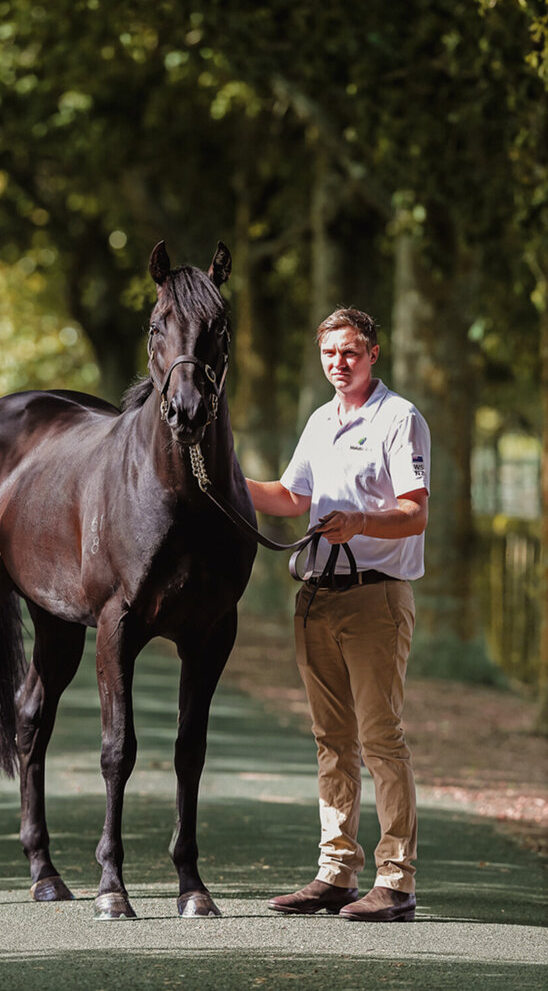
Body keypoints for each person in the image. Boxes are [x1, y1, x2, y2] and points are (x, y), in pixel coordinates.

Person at [246, 307, 430, 923]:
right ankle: (335, 872)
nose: (338, 363)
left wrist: (361, 523)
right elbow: (291, 497)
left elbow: (414, 512)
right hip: (316, 597)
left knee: (381, 739)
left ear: (373, 352)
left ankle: (397, 882)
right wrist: (220, 477)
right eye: (329, 353)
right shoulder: (322, 419)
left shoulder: (399, 418)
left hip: (376, 597)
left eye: (350, 352)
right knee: (332, 742)